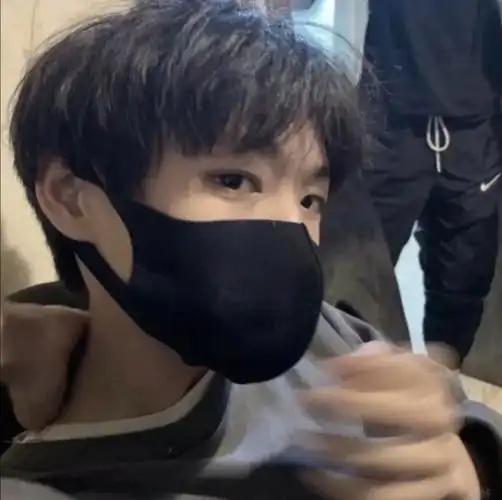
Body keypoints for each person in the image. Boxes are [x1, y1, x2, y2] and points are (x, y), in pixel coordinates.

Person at [0, 1, 501, 499]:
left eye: (310, 199)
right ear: (71, 197)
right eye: (234, 181)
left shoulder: (332, 336)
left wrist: (472, 464)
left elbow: (458, 418)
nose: (289, 229)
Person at [361, 0, 502, 365]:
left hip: (475, 124)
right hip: (391, 120)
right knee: (358, 274)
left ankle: (441, 383)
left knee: (464, 278)